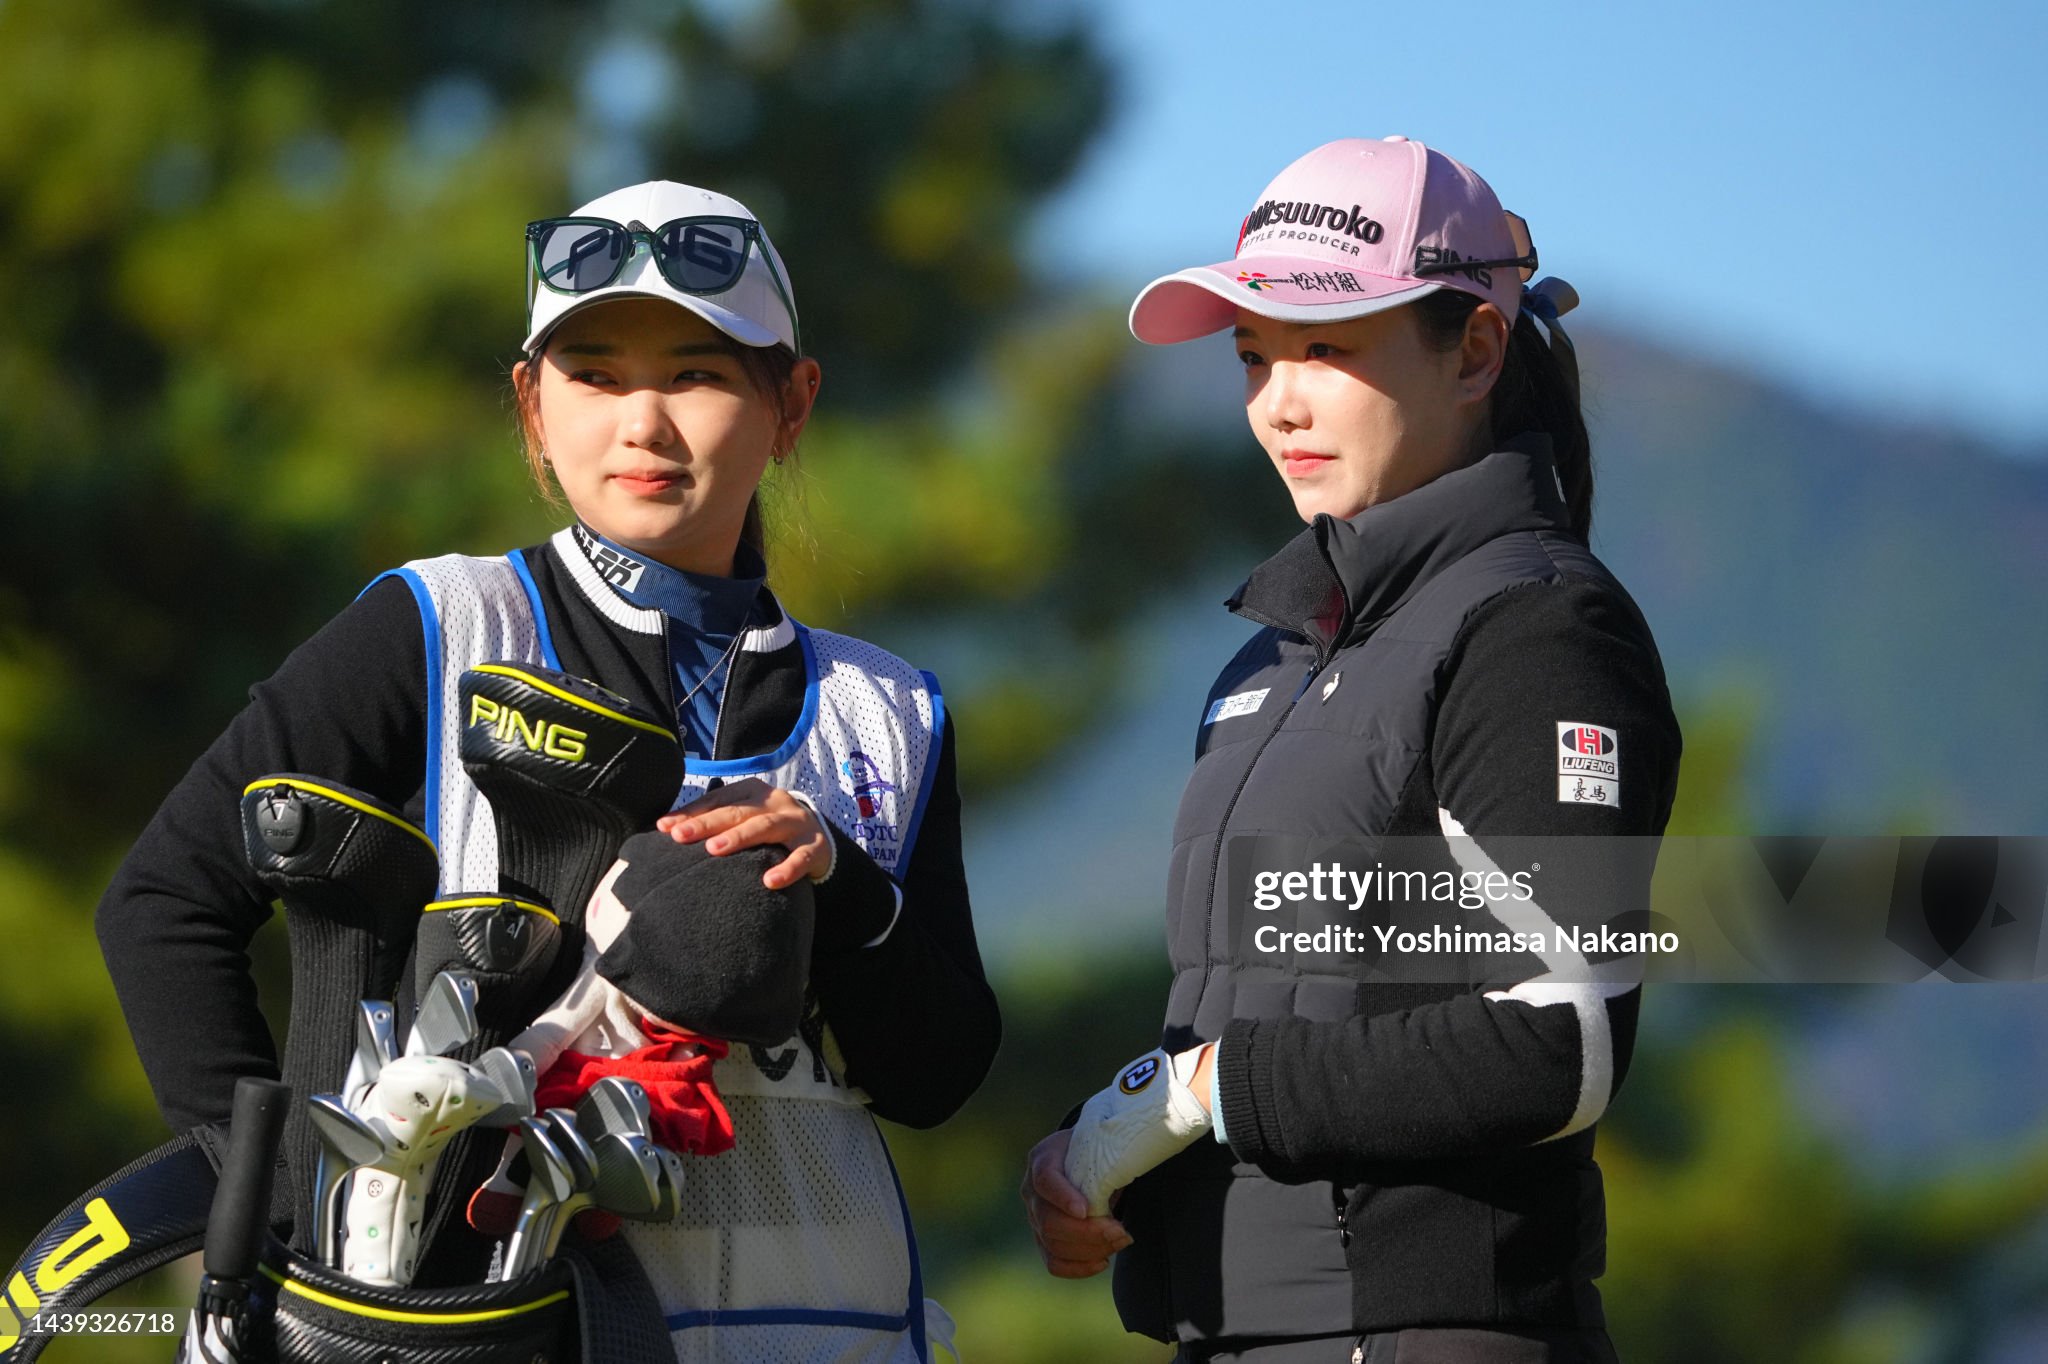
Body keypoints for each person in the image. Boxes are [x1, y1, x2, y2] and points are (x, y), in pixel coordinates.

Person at [96, 178, 998, 1361]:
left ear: (792, 403)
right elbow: (163, 901)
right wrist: (281, 1207)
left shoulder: (885, 709)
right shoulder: (438, 623)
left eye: (697, 372)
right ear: (530, 403)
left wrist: (841, 888)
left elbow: (935, 1075)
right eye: (594, 374)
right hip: (506, 1326)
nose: (642, 422)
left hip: (837, 1327)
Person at [1021, 137, 1683, 1362]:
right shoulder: (1272, 660)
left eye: (1328, 347)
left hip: (1423, 1331)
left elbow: (1558, 1039)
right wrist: (1102, 1149)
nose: (1278, 401)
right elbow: (1280, 1004)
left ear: (1475, 349)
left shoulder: (1537, 626)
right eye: (1253, 356)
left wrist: (1206, 1089)